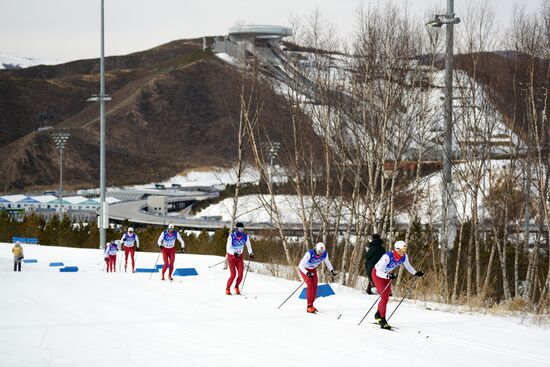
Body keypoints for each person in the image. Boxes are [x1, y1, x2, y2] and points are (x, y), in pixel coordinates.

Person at [372, 240, 424, 330]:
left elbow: (408, 266)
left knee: (387, 296)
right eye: (402, 250)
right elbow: (378, 272)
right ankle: (382, 320)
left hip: (387, 275)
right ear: (397, 250)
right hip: (378, 274)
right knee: (384, 297)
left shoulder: (404, 256)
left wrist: (415, 273)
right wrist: (388, 275)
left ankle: (378, 314)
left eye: (405, 250)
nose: (404, 252)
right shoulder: (387, 257)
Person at [298, 242, 337, 313]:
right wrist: (307, 273)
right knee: (310, 285)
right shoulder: (309, 254)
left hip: (313, 269)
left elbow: (327, 262)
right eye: (319, 251)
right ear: (316, 249)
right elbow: (300, 265)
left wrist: (332, 270)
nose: (321, 253)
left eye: (322, 251)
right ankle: (309, 306)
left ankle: (311, 305)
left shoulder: (325, 254)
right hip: (305, 269)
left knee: (315, 286)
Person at [225, 222, 254, 295]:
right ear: (236, 229)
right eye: (240, 229)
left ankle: (236, 287)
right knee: (233, 274)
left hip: (240, 257)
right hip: (232, 257)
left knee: (241, 274)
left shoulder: (245, 236)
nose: (241, 231)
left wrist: (251, 253)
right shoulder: (231, 237)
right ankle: (227, 289)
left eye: (242, 229)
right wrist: (234, 253)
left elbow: (249, 246)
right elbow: (228, 249)